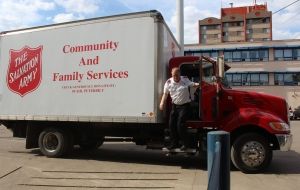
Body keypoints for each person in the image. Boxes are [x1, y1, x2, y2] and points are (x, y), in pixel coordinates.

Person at [159, 67, 199, 150]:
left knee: (180, 125)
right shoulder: (168, 82)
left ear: (179, 74)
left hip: (185, 106)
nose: (175, 77)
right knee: (171, 125)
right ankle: (174, 143)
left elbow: (193, 84)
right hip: (175, 106)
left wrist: (199, 84)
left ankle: (185, 144)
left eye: (177, 75)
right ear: (171, 74)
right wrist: (162, 103)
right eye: (174, 75)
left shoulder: (185, 79)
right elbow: (165, 94)